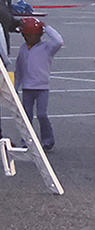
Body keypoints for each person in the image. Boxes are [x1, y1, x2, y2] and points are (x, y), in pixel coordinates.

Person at [11, 16, 62, 151]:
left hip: (42, 88)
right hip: (27, 88)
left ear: (39, 34)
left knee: (41, 115)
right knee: (26, 116)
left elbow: (59, 41)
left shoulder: (47, 47)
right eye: (25, 35)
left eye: (30, 35)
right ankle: (26, 140)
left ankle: (47, 140)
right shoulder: (23, 49)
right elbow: (19, 69)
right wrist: (15, 87)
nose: (27, 37)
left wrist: (46, 28)